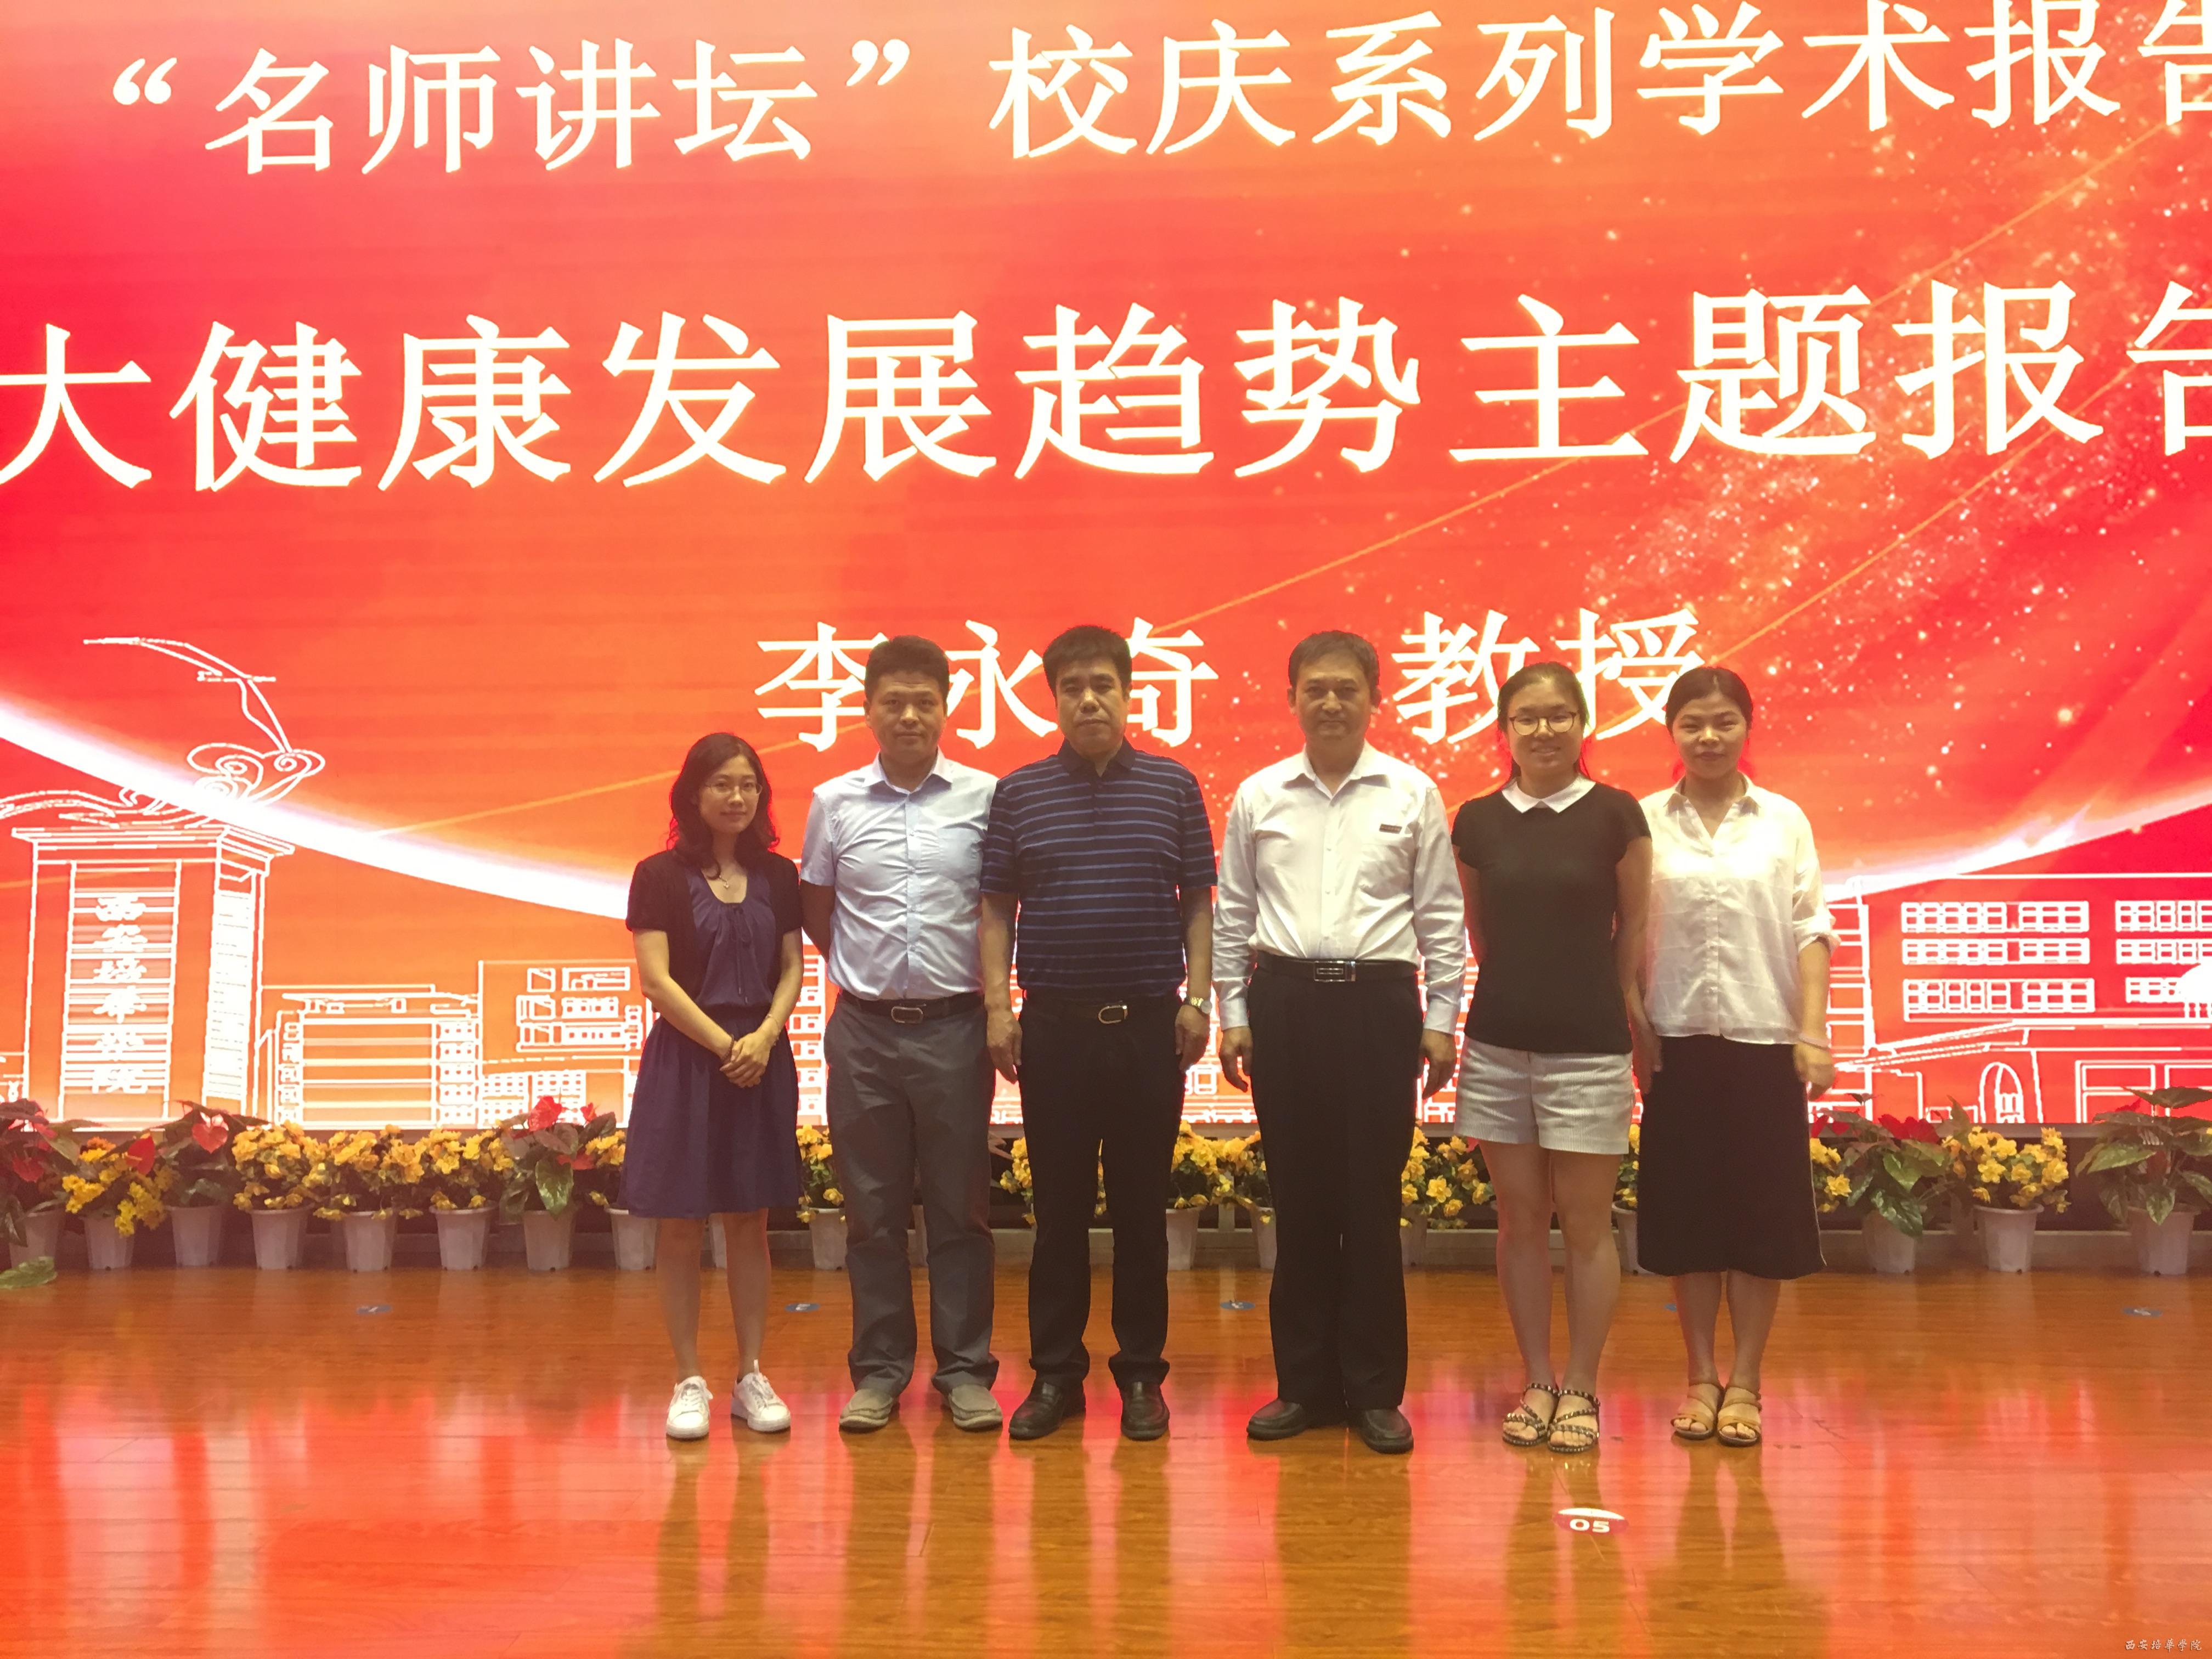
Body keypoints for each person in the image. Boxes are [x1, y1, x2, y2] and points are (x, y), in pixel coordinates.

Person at [1214, 631, 1464, 1457]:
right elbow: (1234, 913)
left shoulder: (1412, 792)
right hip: (1284, 1003)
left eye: (1347, 689)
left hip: (1378, 1007)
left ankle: (1375, 1392)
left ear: (1374, 699)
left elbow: (1440, 916)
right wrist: (1233, 1013)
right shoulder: (1259, 795)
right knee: (1300, 1201)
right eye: (1315, 689)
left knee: (1370, 1201)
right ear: (1291, 697)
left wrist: (1441, 1019)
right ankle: (1304, 1386)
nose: (1330, 703)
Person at [979, 624, 1216, 1443]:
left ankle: (1142, 1375)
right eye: (1073, 687)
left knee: (1144, 1211)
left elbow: (1198, 902)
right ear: (1053, 699)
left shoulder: (1173, 786)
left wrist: (1199, 1000)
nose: (1089, 700)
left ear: (1128, 691)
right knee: (1059, 1213)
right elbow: (996, 909)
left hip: (1149, 1028)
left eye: (1103, 685)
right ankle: (1055, 1375)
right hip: (1054, 1030)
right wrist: (999, 1009)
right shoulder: (1019, 793)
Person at [800, 636, 1003, 1436]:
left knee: (961, 1210)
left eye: (925, 702)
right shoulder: (834, 802)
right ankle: (880, 1372)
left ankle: (965, 1371)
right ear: (867, 710)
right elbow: (819, 910)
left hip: (956, 1029)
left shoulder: (987, 797)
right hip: (865, 1032)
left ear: (948, 708)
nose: (910, 716)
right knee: (871, 1212)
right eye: (894, 702)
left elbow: (1000, 908)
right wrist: (870, 977)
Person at [1453, 662, 1652, 1455]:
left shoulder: (1616, 814)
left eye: (1560, 715)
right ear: (1504, 730)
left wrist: (1626, 1011)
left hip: (1591, 1047)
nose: (1544, 730)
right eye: (1528, 717)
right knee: (1520, 1220)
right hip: (1499, 1044)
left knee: (1589, 1226)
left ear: (1583, 724)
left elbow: (1633, 930)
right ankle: (1537, 1379)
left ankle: (1582, 1386)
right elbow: (1480, 934)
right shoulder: (1476, 820)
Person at [1637, 665, 1834, 1450]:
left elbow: (1810, 926)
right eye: (1692, 723)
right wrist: (1633, 1028)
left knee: (1759, 1222)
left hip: (1764, 1043)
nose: (1708, 737)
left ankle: (1745, 1381)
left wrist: (1813, 1032)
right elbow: (1624, 934)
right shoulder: (1643, 821)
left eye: (1724, 722)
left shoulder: (1784, 821)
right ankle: (1698, 1377)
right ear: (1672, 732)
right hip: (1675, 1042)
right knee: (1688, 1221)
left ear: (1748, 728)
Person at [623, 733, 806, 1441]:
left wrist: (764, 1037)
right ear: (693, 795)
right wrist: (727, 1045)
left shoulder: (779, 875)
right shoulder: (658, 875)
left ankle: (751, 1375)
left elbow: (791, 968)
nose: (737, 797)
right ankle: (688, 1379)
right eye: (723, 784)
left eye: (749, 785)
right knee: (679, 1224)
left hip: (760, 1059)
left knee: (750, 1222)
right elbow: (656, 981)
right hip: (689, 1061)